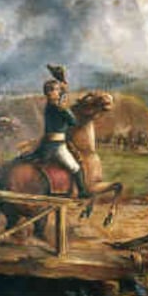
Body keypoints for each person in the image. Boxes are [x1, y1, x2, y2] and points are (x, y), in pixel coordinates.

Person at [30, 67, 88, 199]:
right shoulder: (59, 108)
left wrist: (63, 87)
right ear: (52, 92)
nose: (58, 92)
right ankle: (83, 192)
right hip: (56, 146)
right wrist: (65, 97)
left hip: (46, 144)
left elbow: (62, 99)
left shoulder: (51, 106)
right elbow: (73, 121)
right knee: (76, 168)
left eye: (58, 90)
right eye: (57, 90)